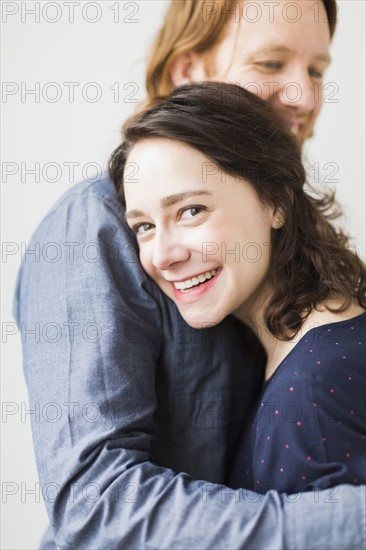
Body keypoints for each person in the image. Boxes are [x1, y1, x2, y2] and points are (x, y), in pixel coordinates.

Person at [14, 0, 366, 548]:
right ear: (188, 71)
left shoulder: (291, 259)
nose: (305, 96)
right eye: (271, 64)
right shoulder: (94, 226)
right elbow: (96, 505)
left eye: (316, 70)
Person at [110, 80, 366, 495]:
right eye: (144, 226)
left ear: (276, 202)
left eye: (192, 210)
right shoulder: (294, 353)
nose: (162, 256)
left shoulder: (317, 382)